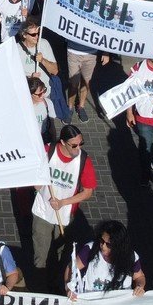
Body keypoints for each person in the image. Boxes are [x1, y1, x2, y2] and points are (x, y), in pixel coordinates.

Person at [29, 124, 97, 291]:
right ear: (63, 143)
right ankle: (39, 287)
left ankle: (57, 283)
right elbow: (33, 175)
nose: (78, 148)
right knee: (41, 254)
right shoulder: (48, 152)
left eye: (81, 143)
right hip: (43, 211)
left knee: (62, 253)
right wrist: (36, 184)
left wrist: (63, 203)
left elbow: (88, 192)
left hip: (66, 215)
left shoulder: (83, 160)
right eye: (74, 145)